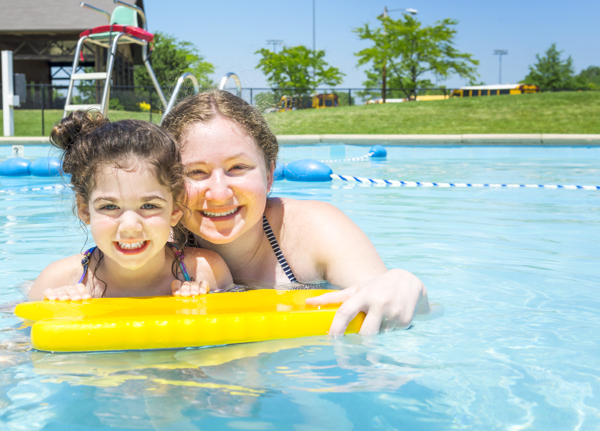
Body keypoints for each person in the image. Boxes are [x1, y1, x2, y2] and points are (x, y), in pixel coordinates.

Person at [161, 91, 430, 335]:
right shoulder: (156, 240)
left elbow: (388, 301)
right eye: (195, 172)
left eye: (238, 167)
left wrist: (402, 285)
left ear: (269, 175)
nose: (219, 193)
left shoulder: (313, 229)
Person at [28, 111, 232, 301]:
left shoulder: (205, 273)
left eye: (149, 206)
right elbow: (17, 338)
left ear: (176, 208)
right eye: (109, 207)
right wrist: (57, 314)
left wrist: (204, 305)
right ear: (84, 209)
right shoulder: (58, 281)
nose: (130, 226)